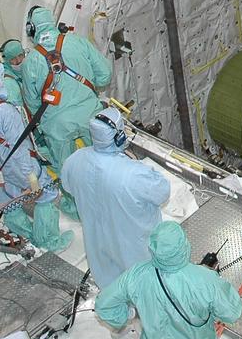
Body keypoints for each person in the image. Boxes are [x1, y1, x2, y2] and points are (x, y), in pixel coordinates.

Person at [96, 221, 242, 339]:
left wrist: (127, 315)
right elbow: (232, 312)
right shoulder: (205, 279)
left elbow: (104, 306)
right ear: (184, 246)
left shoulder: (137, 274)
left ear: (153, 248)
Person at [0, 61, 72, 252]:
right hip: (18, 165)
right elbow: (19, 147)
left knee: (7, 200)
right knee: (46, 197)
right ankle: (48, 241)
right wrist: (31, 177)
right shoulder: (6, 111)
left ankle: (24, 231)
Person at [60, 107, 171, 288]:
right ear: (119, 136)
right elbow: (163, 192)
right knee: (143, 288)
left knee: (114, 290)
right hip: (136, 252)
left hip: (99, 252)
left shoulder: (75, 160)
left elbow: (68, 187)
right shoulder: (134, 174)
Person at [19, 7, 110, 210]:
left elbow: (32, 103)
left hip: (57, 126)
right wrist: (84, 92)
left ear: (31, 29)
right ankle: (110, 196)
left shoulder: (31, 61)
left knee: (67, 169)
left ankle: (77, 207)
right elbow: (105, 75)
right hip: (90, 114)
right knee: (105, 158)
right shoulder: (78, 42)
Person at [0, 39, 27, 106]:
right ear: (7, 61)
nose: (18, 61)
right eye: (13, 59)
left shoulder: (27, 69)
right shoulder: (8, 82)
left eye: (20, 55)